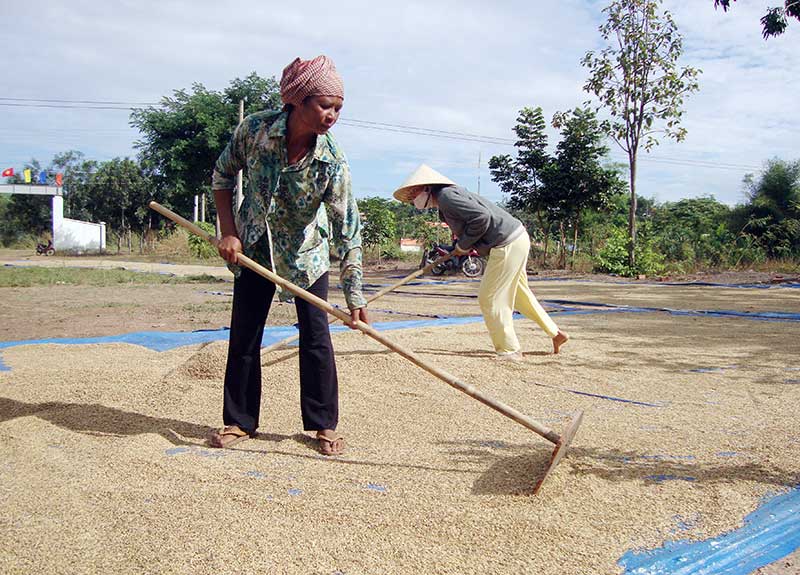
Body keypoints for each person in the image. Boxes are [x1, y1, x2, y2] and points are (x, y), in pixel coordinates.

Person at [208, 55, 368, 455]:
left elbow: (348, 227)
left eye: (338, 108)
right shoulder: (255, 131)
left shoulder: (331, 159)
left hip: (306, 254)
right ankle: (239, 421)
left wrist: (355, 295)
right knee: (245, 334)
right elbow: (223, 175)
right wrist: (228, 232)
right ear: (297, 100)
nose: (332, 115)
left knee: (316, 337)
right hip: (254, 249)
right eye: (324, 106)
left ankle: (323, 425)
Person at [393, 164, 569, 361]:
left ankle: (510, 350)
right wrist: (459, 245)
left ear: (427, 188)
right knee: (520, 295)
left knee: (490, 298)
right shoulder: (447, 200)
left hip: (506, 242)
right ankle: (556, 334)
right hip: (516, 239)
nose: (413, 200)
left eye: (413, 193)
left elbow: (481, 218)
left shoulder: (446, 196)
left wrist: (464, 244)